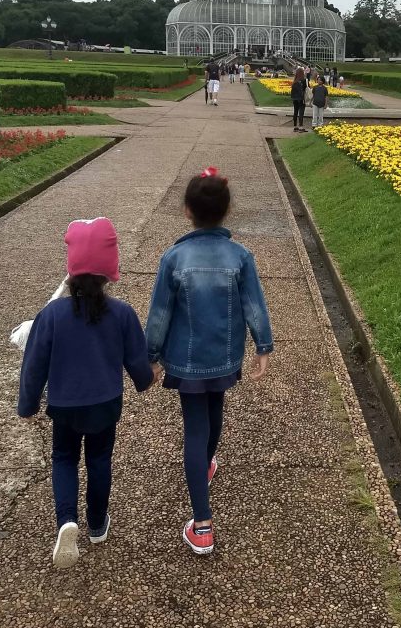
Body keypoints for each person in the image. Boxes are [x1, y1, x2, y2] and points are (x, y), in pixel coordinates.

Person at [17, 218, 161, 569]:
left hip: (64, 404)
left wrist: (28, 405)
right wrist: (146, 379)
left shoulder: (51, 315)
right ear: (109, 271)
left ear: (71, 271)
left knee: (64, 458)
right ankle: (97, 524)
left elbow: (34, 364)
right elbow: (136, 358)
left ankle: (67, 520)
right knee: (99, 460)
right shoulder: (122, 313)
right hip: (105, 403)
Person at [145, 168, 273, 555]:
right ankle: (205, 466)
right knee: (215, 410)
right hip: (224, 354)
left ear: (187, 211)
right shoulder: (240, 256)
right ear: (227, 210)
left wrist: (150, 356)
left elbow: (160, 314)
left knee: (194, 430)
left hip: (186, 359)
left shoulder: (174, 257)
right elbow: (254, 305)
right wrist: (262, 346)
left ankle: (202, 525)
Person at [290, 67, 307, 132]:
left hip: (294, 98)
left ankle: (295, 126)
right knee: (301, 112)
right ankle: (301, 126)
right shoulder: (304, 80)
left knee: (295, 111)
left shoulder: (295, 81)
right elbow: (307, 88)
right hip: (301, 98)